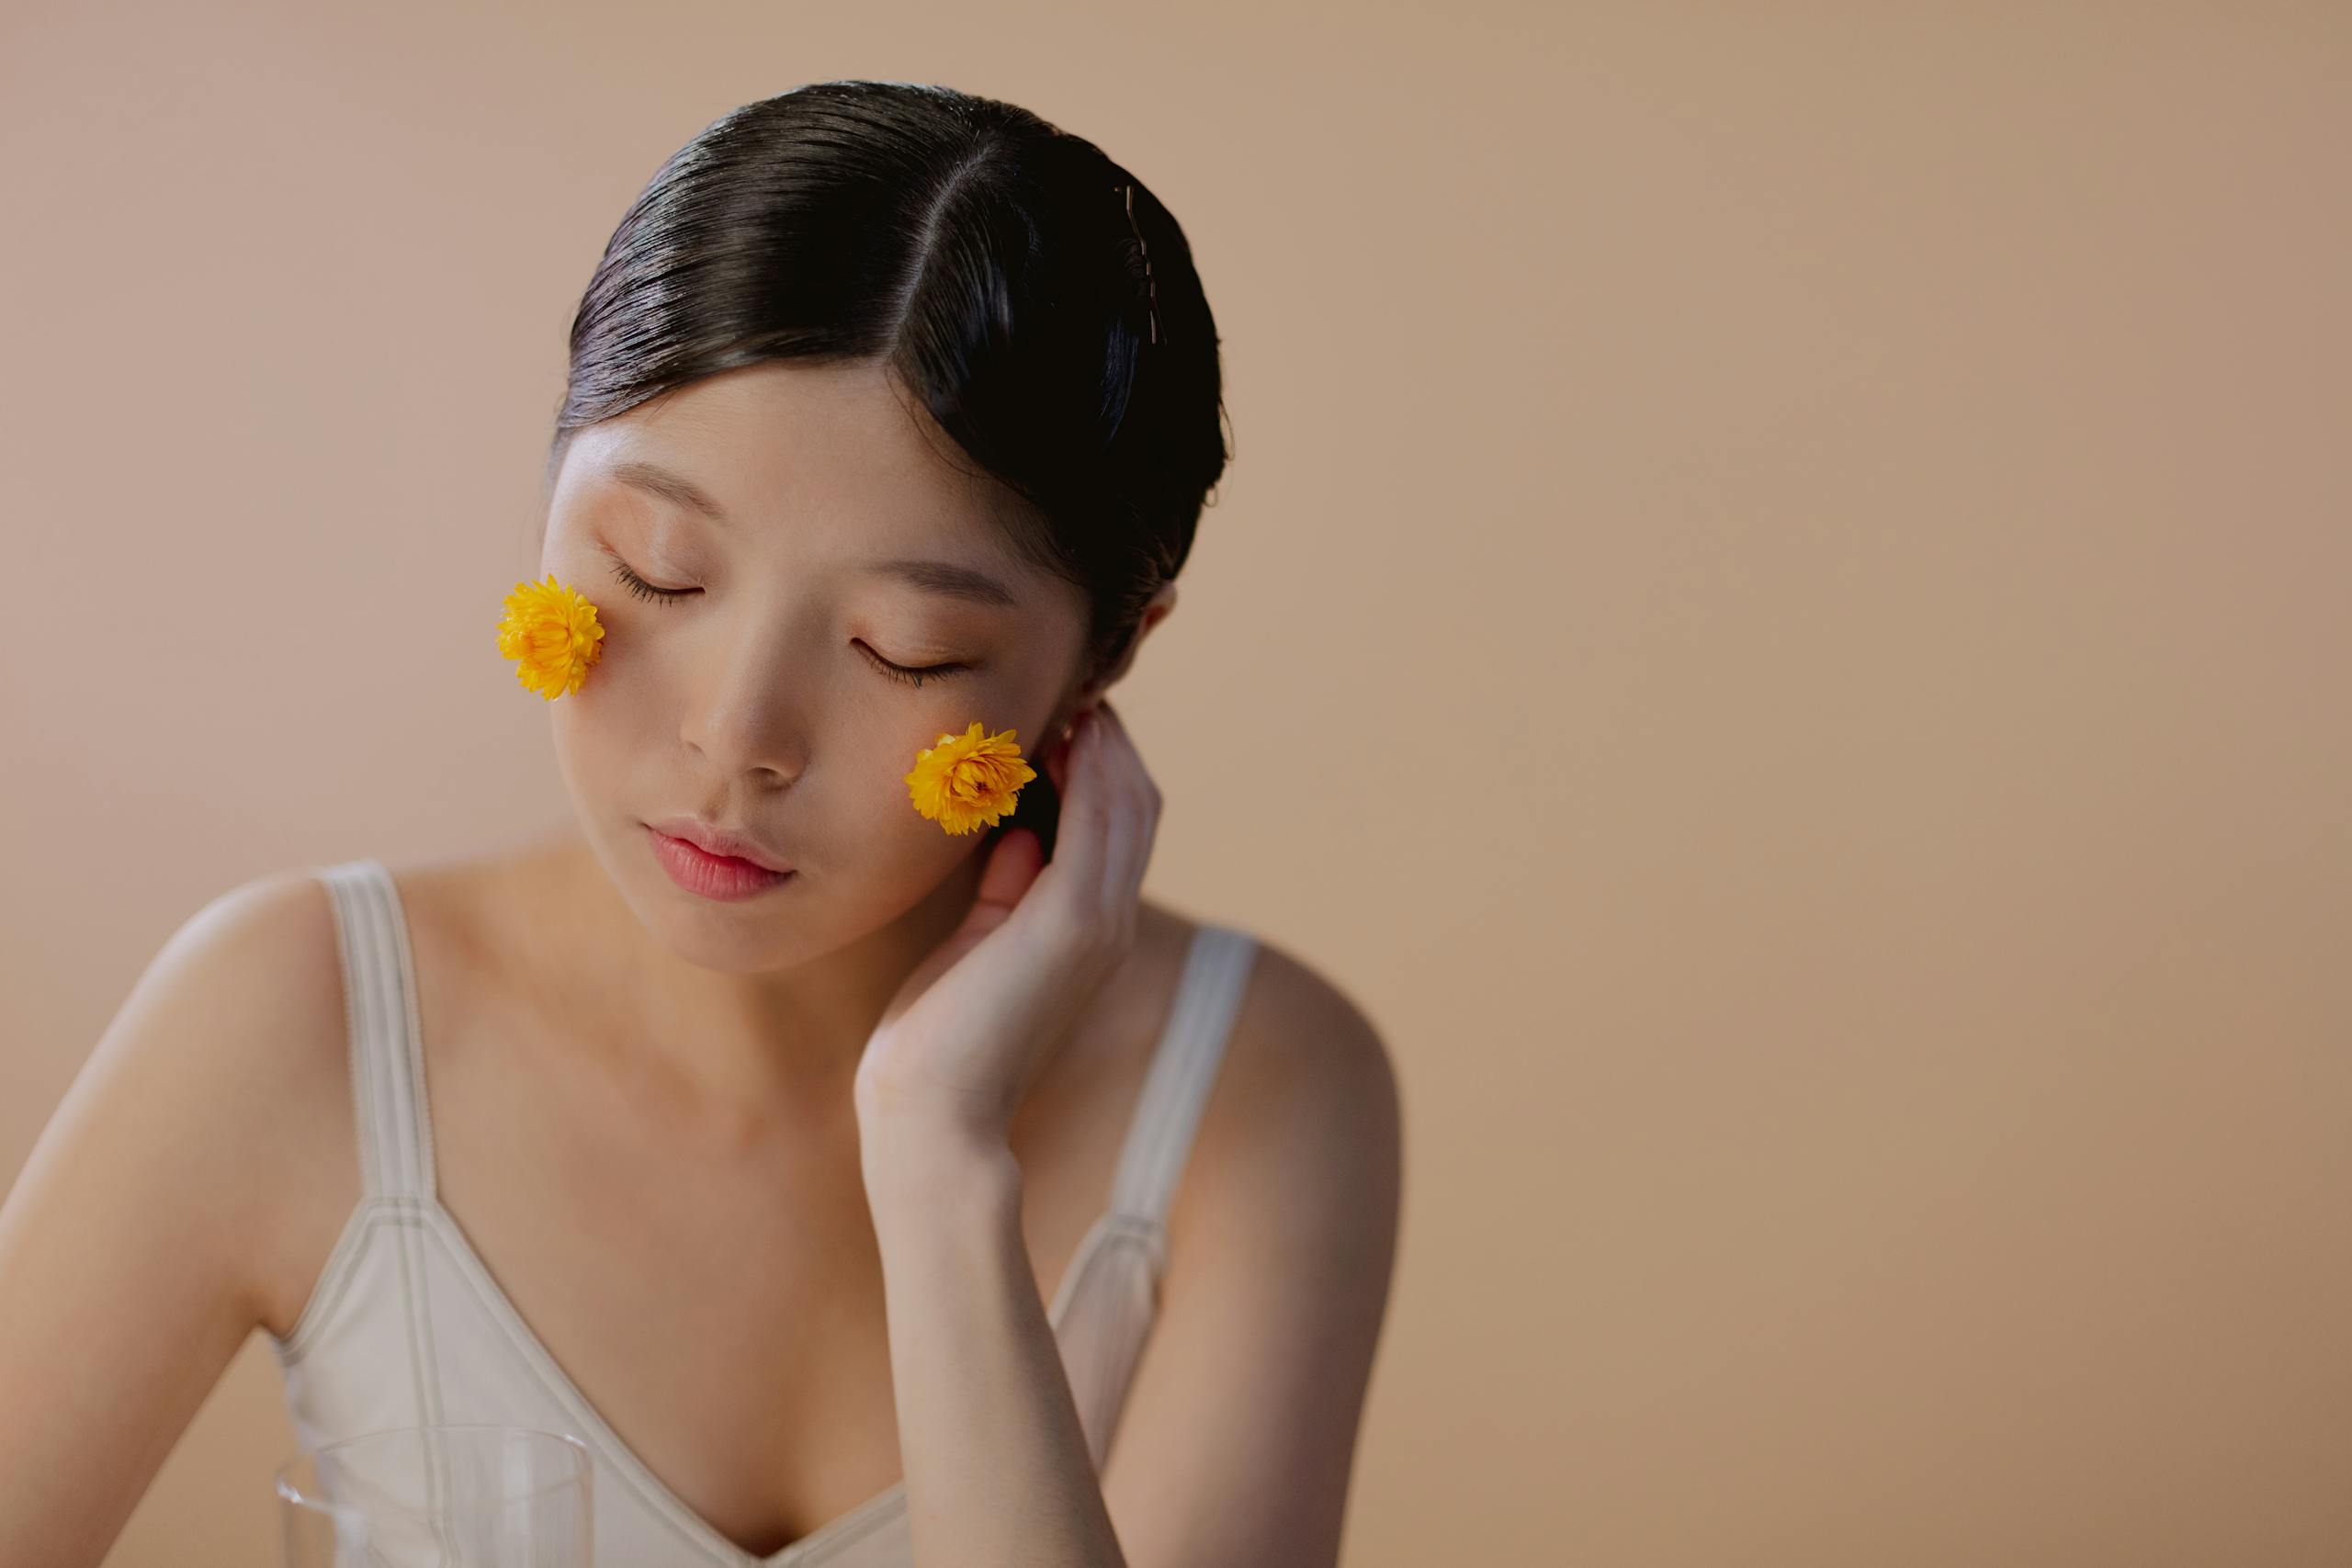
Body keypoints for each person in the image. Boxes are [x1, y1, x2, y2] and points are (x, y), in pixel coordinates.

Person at [0, 80, 1402, 1568]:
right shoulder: (297, 1017)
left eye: (904, 650)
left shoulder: (1257, 1095)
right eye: (659, 570)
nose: (735, 737)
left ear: (1103, 661)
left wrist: (938, 1168)